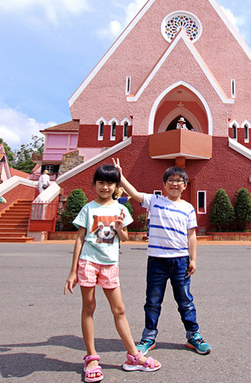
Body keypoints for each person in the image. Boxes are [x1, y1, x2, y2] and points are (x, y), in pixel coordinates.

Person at [64, 165, 161, 381]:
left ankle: (133, 356)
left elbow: (124, 238)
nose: (105, 187)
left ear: (116, 186)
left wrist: (119, 228)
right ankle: (91, 357)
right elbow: (80, 238)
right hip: (88, 262)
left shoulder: (121, 210)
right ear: (94, 185)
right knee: (89, 308)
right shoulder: (88, 209)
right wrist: (72, 272)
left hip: (110, 263)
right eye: (101, 183)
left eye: (110, 183)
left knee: (119, 309)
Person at [110, 158, 211, 356]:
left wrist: (193, 259)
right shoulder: (155, 201)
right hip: (156, 260)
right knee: (153, 301)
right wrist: (120, 176)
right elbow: (135, 194)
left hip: (180, 259)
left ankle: (193, 335)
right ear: (164, 184)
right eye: (170, 180)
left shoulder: (188, 208)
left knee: (185, 300)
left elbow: (192, 235)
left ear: (184, 185)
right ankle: (148, 336)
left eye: (179, 180)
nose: (174, 183)